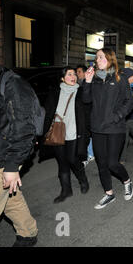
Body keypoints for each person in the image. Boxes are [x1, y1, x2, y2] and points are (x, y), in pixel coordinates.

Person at [0, 39, 38, 246]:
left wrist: (12, 165)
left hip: (2, 157)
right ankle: (28, 234)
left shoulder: (10, 81)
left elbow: (24, 126)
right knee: (10, 199)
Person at [82, 48, 133, 209]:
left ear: (109, 58)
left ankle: (127, 181)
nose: (97, 60)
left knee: (112, 163)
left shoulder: (120, 78)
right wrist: (87, 81)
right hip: (97, 128)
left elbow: (129, 102)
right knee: (101, 163)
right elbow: (85, 100)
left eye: (100, 57)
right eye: (96, 57)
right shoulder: (95, 79)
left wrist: (116, 116)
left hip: (115, 128)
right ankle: (109, 193)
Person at [43, 67, 89, 203]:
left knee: (72, 159)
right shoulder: (55, 92)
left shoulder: (80, 92)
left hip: (74, 132)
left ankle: (83, 180)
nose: (73, 76)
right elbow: (47, 112)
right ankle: (66, 190)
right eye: (69, 74)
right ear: (62, 78)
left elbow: (86, 113)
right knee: (62, 162)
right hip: (58, 132)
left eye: (74, 74)